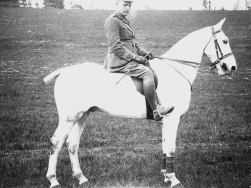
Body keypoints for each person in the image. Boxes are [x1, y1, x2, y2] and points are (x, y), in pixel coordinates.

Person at [103, 0, 174, 121]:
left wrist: (144, 53)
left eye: (129, 5)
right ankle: (156, 111)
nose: (127, 8)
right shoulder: (112, 21)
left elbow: (132, 43)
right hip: (118, 61)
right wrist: (135, 57)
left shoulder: (124, 21)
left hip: (126, 58)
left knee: (150, 69)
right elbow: (115, 46)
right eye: (124, 5)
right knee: (147, 73)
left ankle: (157, 106)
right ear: (117, 3)